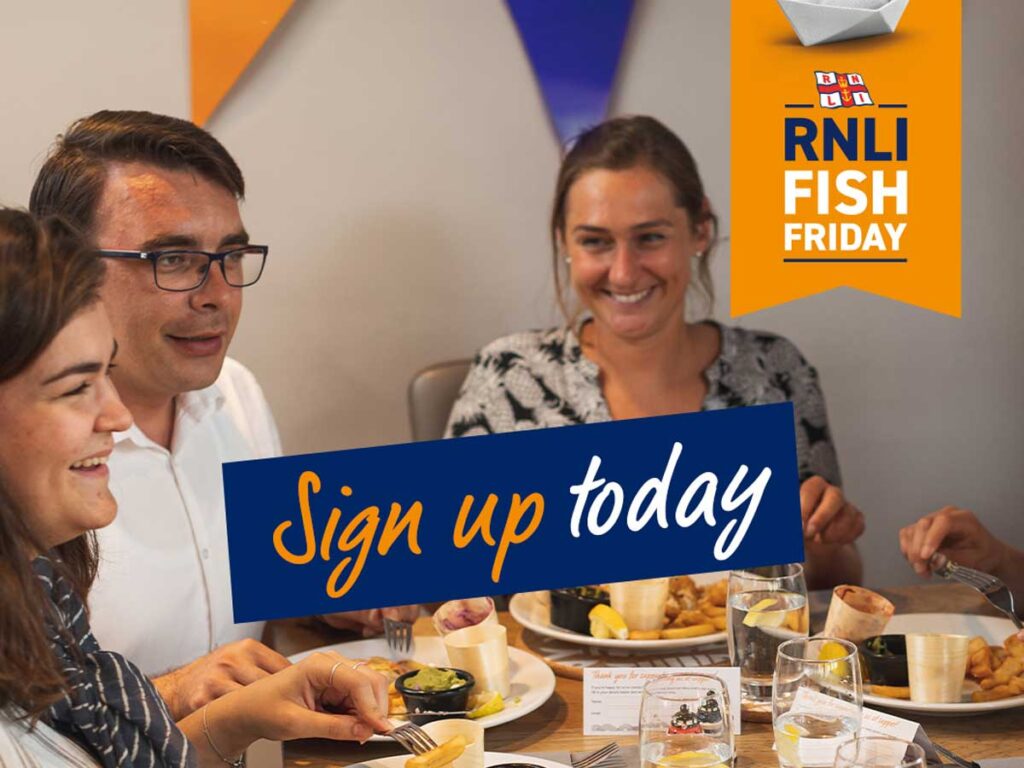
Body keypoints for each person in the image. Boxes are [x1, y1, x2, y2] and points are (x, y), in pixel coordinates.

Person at [29, 110, 418, 721]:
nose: (217, 294)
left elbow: (257, 582)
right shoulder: (29, 449)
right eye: (174, 259)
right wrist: (173, 690)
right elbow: (24, 730)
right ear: (67, 268)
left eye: (230, 257)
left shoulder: (236, 392)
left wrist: (337, 592)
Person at [0, 209, 391, 766]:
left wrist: (244, 712)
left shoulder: (43, 595)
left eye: (231, 258)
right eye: (172, 259)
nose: (115, 415)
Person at [445, 115, 863, 589]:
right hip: (549, 665)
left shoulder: (777, 373)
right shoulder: (507, 376)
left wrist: (826, 541)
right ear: (564, 240)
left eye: (650, 238)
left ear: (700, 230)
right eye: (595, 242)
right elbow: (448, 587)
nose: (623, 273)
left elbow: (830, 581)